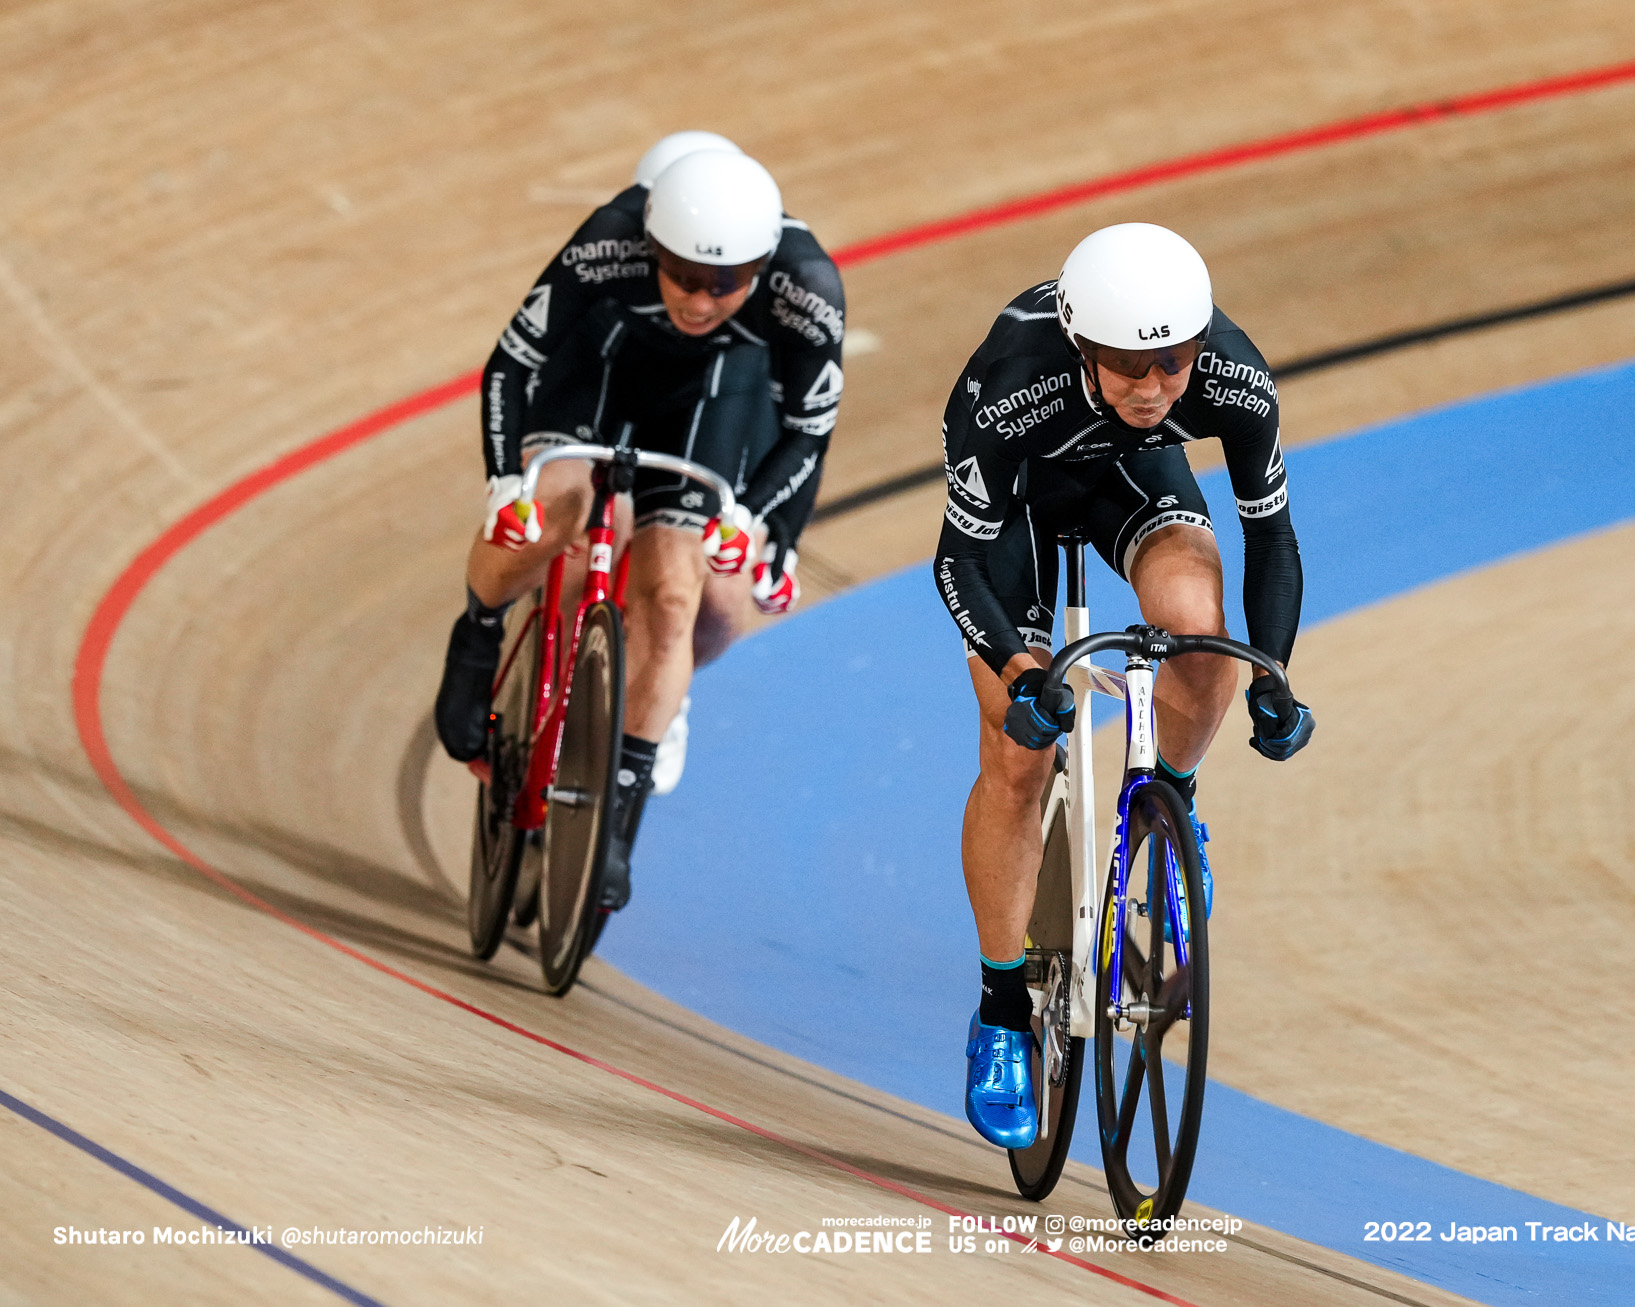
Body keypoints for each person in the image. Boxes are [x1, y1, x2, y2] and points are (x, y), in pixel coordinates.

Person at [933, 222, 1312, 1148]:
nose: (1152, 388)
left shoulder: (1234, 373)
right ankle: (999, 1009)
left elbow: (1270, 536)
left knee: (1203, 632)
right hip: (1015, 512)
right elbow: (959, 558)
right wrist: (1022, 673)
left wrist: (1274, 672)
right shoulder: (1008, 381)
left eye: (1171, 366)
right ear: (1080, 345)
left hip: (1133, 485)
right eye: (1127, 368)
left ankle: (1169, 807)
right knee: (1017, 747)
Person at [434, 140, 846, 912]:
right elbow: (511, 363)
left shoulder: (806, 284)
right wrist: (504, 484)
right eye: (682, 275)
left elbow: (808, 429)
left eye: (724, 285)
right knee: (553, 515)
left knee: (683, 603)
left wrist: (762, 527)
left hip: (713, 403)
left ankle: (615, 817)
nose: (698, 300)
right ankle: (480, 632)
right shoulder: (607, 239)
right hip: (596, 374)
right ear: (649, 246)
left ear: (760, 267)